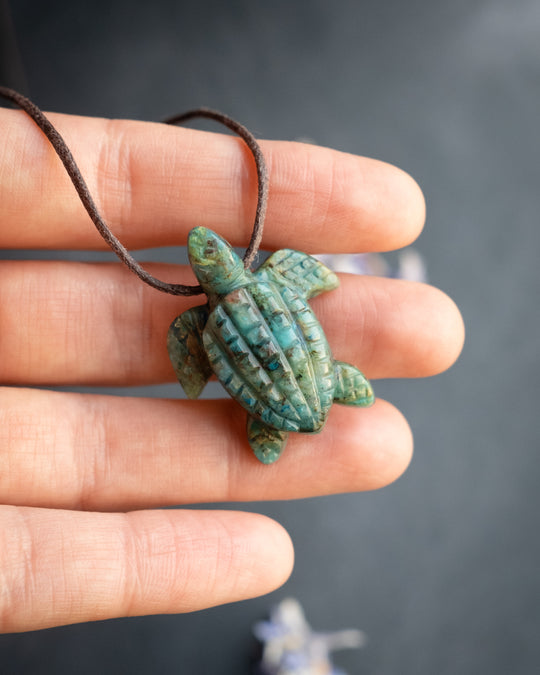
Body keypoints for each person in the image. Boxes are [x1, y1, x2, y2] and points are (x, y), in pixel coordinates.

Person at [0, 106, 464, 633]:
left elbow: (195, 364)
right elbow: (317, 279)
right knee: (321, 379)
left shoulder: (197, 324)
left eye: (208, 252)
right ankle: (333, 385)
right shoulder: (273, 276)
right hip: (317, 370)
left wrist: (194, 374)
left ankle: (285, 417)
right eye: (209, 253)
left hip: (268, 388)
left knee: (292, 415)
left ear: (209, 269)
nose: (204, 248)